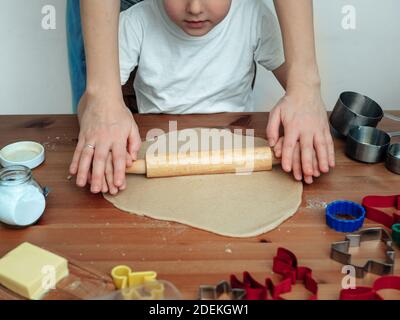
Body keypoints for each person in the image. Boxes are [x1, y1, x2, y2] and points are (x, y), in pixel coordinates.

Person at [68, 0, 335, 195]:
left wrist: (305, 94)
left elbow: (299, 96)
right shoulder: (135, 22)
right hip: (158, 152)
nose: (195, 7)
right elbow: (94, 106)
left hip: (238, 176)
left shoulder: (253, 17)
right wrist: (98, 107)